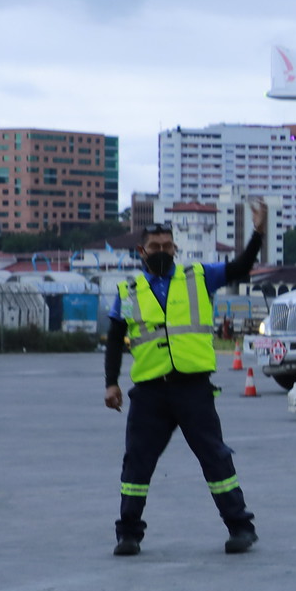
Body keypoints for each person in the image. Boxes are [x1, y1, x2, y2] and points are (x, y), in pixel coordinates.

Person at [104, 202, 268, 556]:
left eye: (167, 246)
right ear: (141, 251)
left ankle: (241, 528)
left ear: (175, 248)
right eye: (155, 247)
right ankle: (128, 534)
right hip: (149, 392)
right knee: (137, 464)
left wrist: (257, 233)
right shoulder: (129, 292)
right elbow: (117, 337)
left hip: (193, 389)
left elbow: (240, 267)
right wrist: (111, 382)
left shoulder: (199, 276)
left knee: (215, 458)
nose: (162, 252)